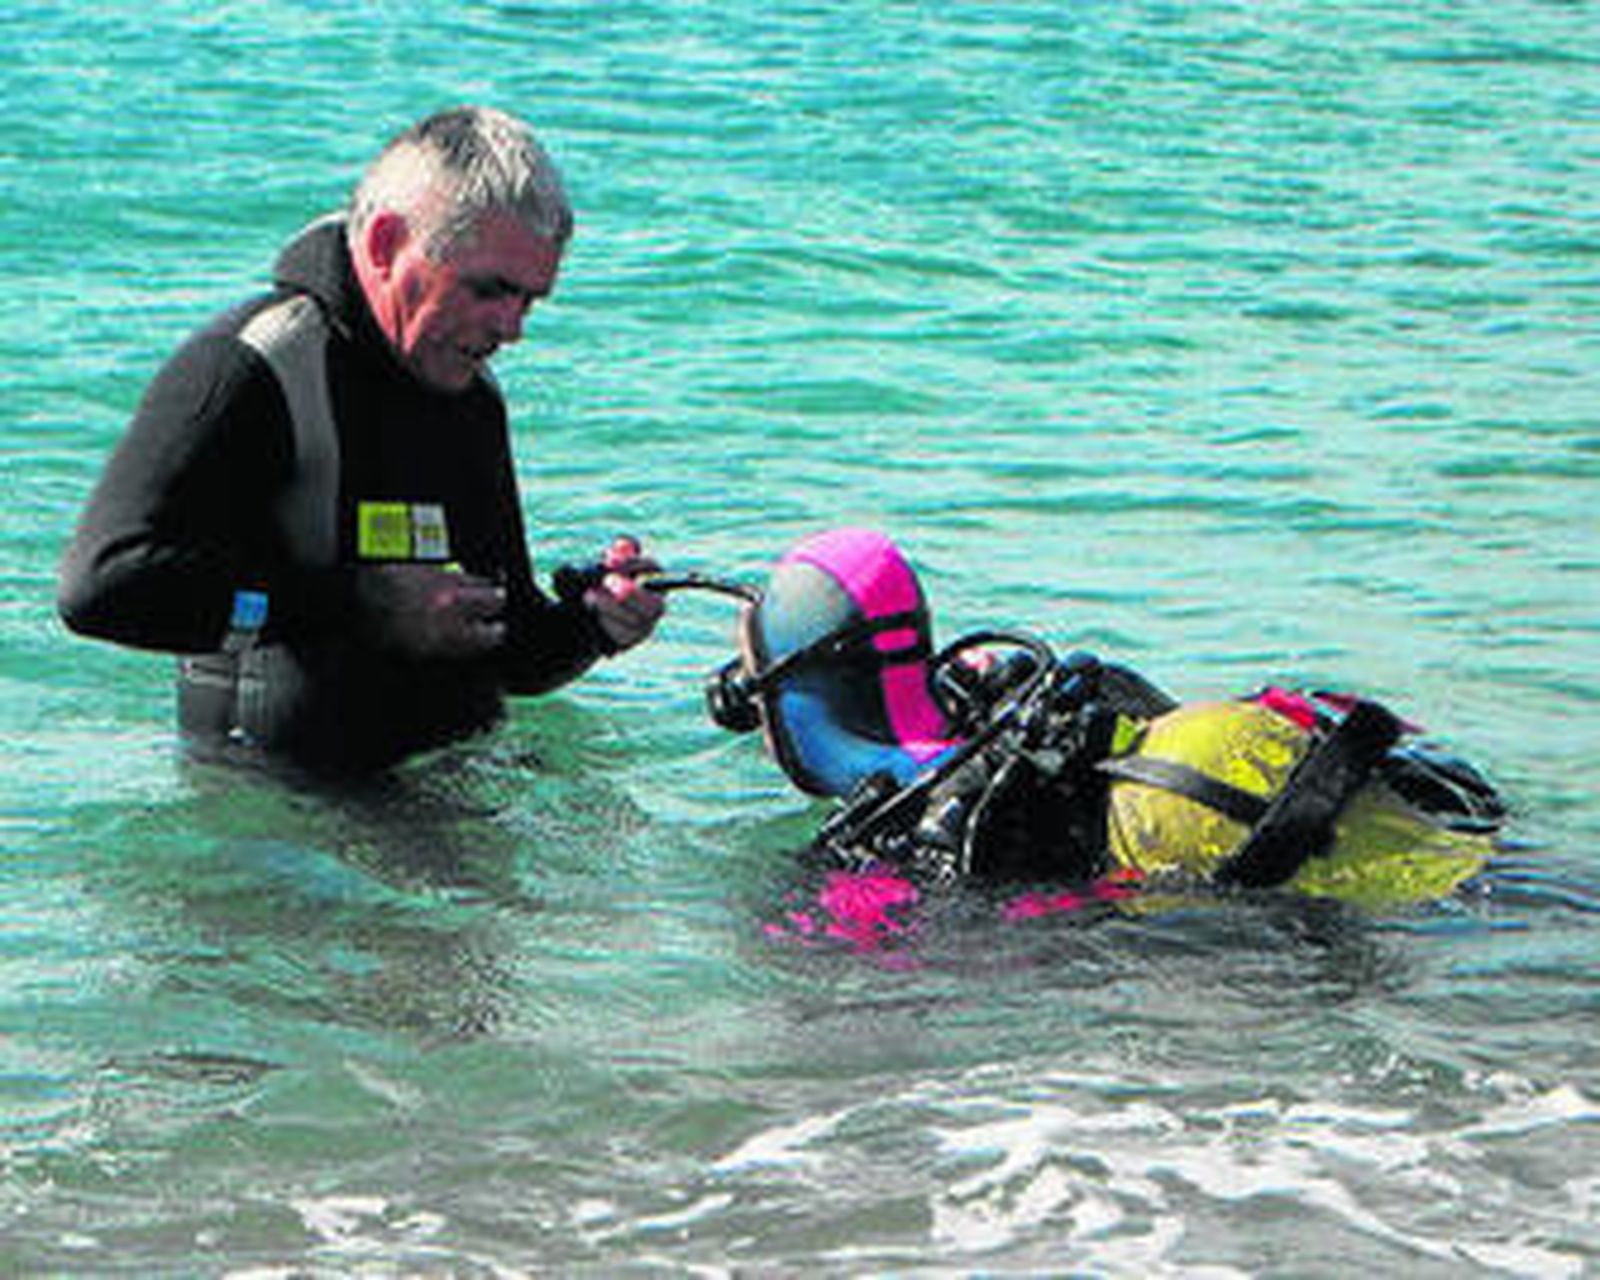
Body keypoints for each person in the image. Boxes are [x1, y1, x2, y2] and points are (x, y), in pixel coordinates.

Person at [58, 106, 665, 774]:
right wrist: (359, 603)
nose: (511, 328)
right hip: (281, 819)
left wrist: (595, 623)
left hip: (451, 791)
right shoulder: (256, 366)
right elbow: (102, 587)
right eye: (490, 290)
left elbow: (509, 644)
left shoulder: (469, 392)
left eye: (529, 300)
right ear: (385, 244)